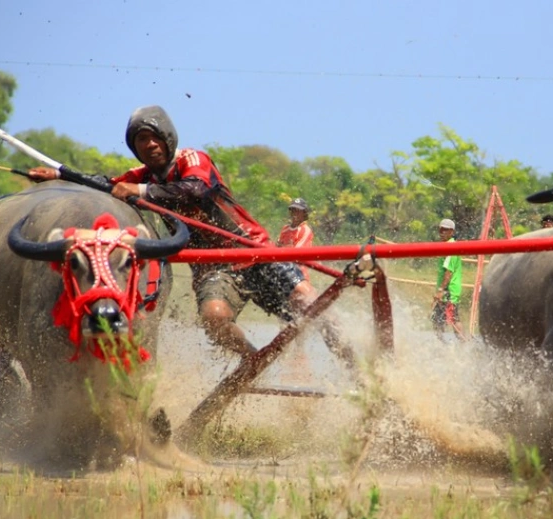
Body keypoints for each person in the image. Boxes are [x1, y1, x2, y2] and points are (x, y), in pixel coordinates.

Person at [28, 105, 341, 360]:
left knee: (307, 300)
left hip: (251, 249)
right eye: (140, 141)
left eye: (154, 138)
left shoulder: (192, 159)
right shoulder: (144, 176)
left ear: (167, 137)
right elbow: (107, 184)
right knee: (214, 318)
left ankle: (355, 360)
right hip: (211, 265)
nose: (149, 145)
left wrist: (140, 190)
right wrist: (58, 174)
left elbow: (195, 190)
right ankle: (252, 359)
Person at [431, 218, 465, 341]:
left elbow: (448, 272)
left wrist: (441, 290)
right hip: (447, 290)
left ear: (452, 232)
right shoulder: (446, 245)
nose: (442, 232)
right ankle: (442, 343)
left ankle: (463, 343)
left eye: (445, 230)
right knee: (439, 319)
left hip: (449, 290)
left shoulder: (451, 247)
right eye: (440, 229)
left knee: (453, 319)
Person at [276, 197, 314, 281]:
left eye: (298, 211)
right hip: (284, 270)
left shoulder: (305, 230)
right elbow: (277, 248)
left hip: (298, 273)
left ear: (304, 213)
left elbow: (297, 253)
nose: (294, 214)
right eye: (293, 210)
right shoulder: (285, 229)